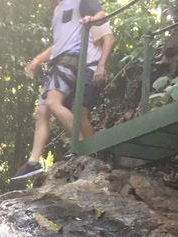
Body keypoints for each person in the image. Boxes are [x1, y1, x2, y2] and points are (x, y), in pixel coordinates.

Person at [11, 0, 109, 181]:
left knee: (53, 103)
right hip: (56, 62)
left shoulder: (79, 1)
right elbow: (57, 45)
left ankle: (82, 145)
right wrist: (38, 59)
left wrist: (90, 19)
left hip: (72, 57)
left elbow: (101, 14)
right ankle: (33, 163)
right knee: (41, 112)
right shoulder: (57, 9)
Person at [64, 18, 115, 139]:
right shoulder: (74, 29)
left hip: (91, 69)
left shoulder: (93, 21)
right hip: (76, 73)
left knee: (80, 110)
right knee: (62, 108)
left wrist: (100, 66)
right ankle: (79, 143)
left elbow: (109, 39)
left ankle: (87, 148)